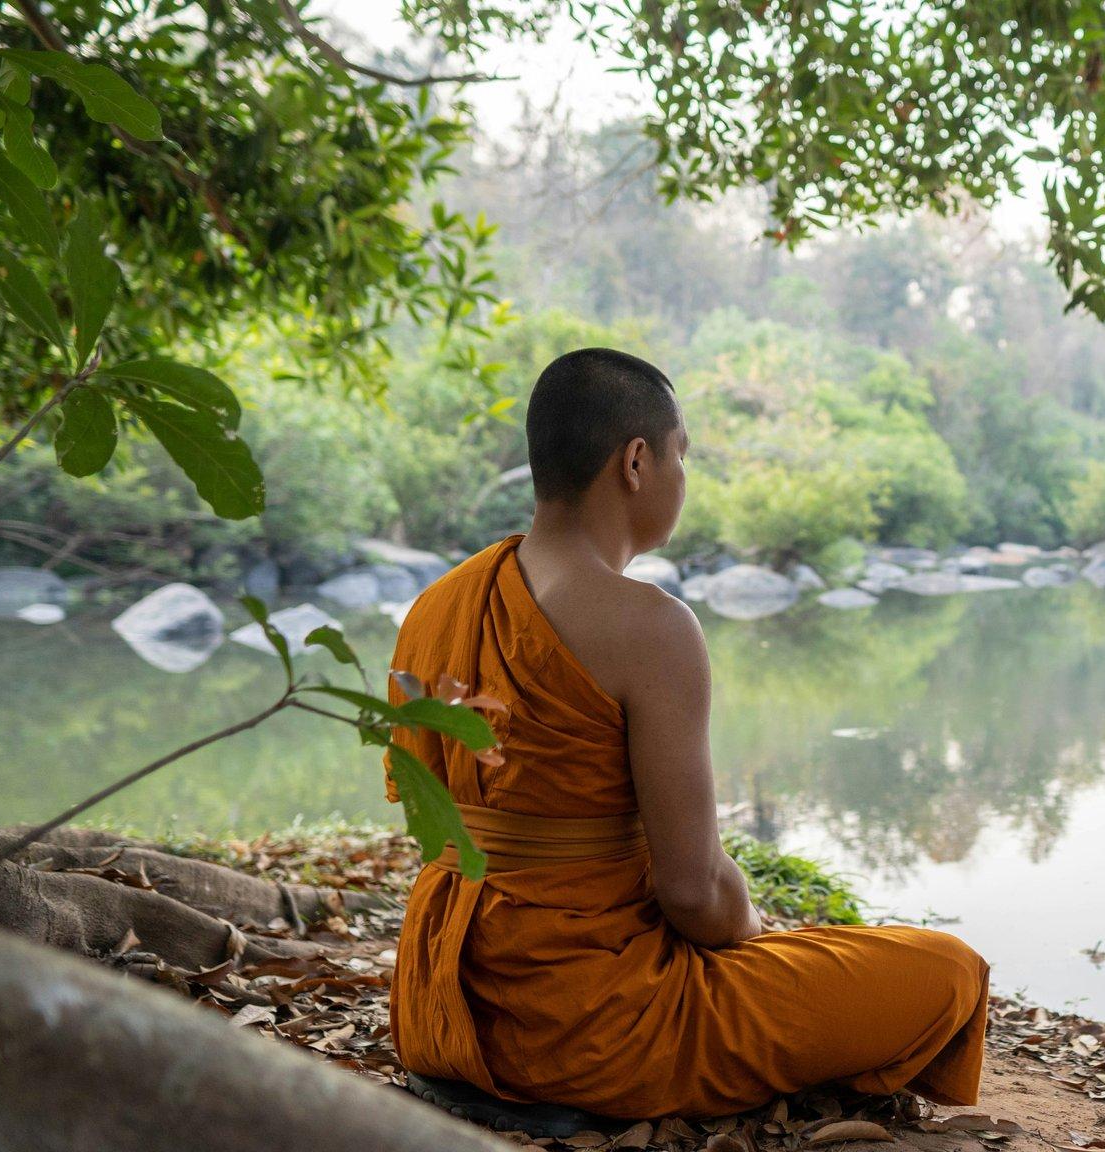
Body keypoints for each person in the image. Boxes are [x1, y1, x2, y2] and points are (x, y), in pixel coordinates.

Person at [384, 348, 989, 1124]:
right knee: (948, 969)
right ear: (637, 461)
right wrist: (754, 932)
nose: (681, 474)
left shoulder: (436, 605)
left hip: (437, 1005)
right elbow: (694, 893)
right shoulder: (652, 627)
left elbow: (431, 822)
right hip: (591, 1027)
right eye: (683, 454)